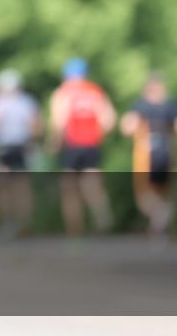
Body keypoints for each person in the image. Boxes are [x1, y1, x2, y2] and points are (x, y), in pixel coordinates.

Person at [119, 72, 177, 238]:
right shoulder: (171, 106)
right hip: (167, 152)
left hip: (146, 155)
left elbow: (126, 127)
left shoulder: (141, 106)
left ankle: (161, 214)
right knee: (161, 192)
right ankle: (159, 225)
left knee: (144, 195)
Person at [48, 57, 116, 236]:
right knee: (93, 183)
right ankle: (102, 217)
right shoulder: (96, 91)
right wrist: (96, 136)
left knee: (69, 189)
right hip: (92, 145)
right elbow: (108, 122)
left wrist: (54, 143)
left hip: (72, 145)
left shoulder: (63, 92)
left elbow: (59, 122)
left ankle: (75, 230)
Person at [0, 69, 40, 237]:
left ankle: (13, 223)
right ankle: (22, 223)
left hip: (7, 147)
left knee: (6, 187)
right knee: (19, 186)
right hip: (20, 146)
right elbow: (35, 126)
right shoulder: (26, 101)